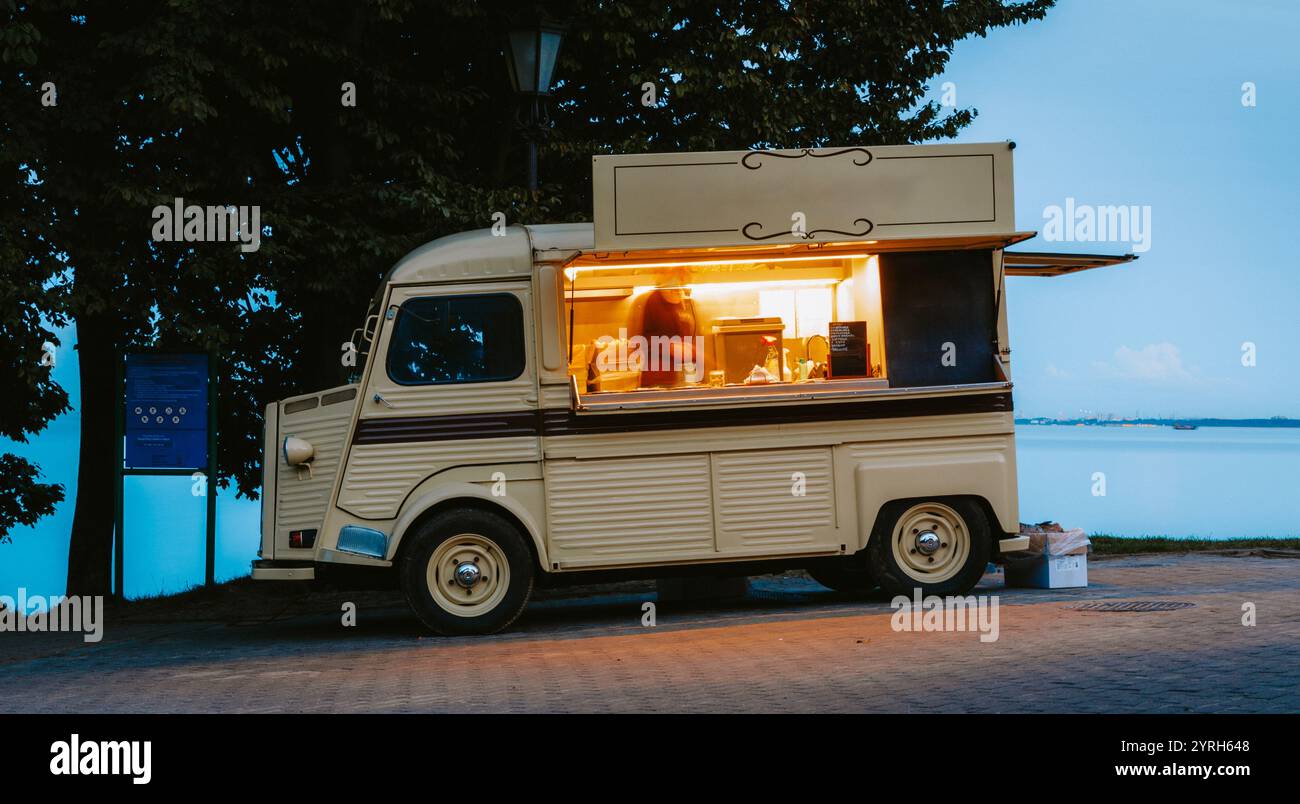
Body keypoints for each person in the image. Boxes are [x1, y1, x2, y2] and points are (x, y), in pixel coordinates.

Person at [638, 267, 697, 388]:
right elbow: (640, 342)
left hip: (679, 377)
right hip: (658, 381)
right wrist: (669, 347)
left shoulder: (680, 301)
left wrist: (693, 352)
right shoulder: (653, 301)